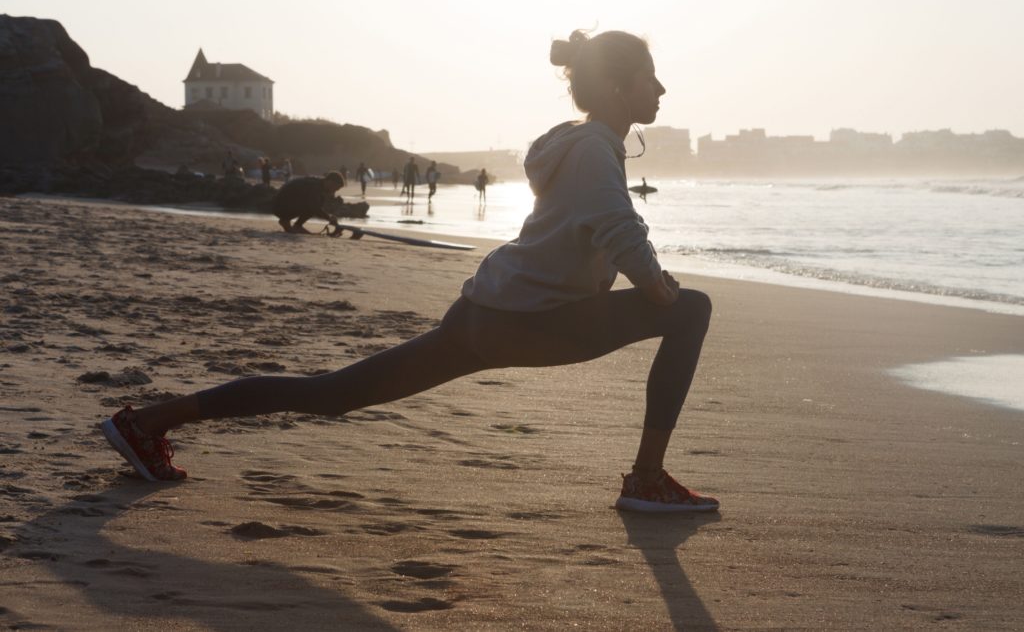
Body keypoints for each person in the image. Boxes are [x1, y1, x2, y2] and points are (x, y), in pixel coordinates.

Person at [100, 29, 718, 513]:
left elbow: (605, 226)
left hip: (490, 316)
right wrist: (658, 289)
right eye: (650, 77)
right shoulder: (591, 148)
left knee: (333, 394)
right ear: (616, 87)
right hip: (531, 321)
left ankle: (147, 422)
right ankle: (646, 479)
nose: (661, 89)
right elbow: (618, 227)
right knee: (690, 309)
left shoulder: (581, 144)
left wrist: (646, 283)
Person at [270, 171, 345, 233]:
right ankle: (291, 223)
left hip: (280, 204)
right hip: (279, 206)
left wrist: (328, 216)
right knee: (313, 205)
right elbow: (314, 207)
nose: (334, 191)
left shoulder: (318, 184)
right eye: (336, 188)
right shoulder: (315, 186)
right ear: (330, 182)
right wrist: (328, 217)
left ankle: (293, 223)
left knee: (319, 201)